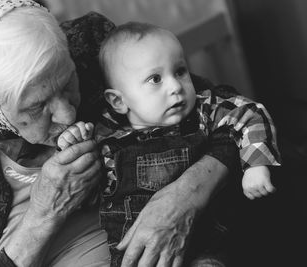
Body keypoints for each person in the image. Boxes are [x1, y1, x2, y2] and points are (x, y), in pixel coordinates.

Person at [0, 1, 248, 267]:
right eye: (38, 107)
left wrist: (184, 198)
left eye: (68, 82)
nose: (68, 112)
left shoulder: (91, 46)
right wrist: (43, 214)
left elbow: (224, 112)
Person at [58, 21, 281, 266]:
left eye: (180, 71)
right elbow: (87, 188)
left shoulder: (202, 110)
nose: (175, 86)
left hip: (207, 247)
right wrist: (73, 142)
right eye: (155, 79)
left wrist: (255, 166)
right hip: (137, 255)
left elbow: (249, 112)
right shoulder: (105, 139)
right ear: (119, 101)